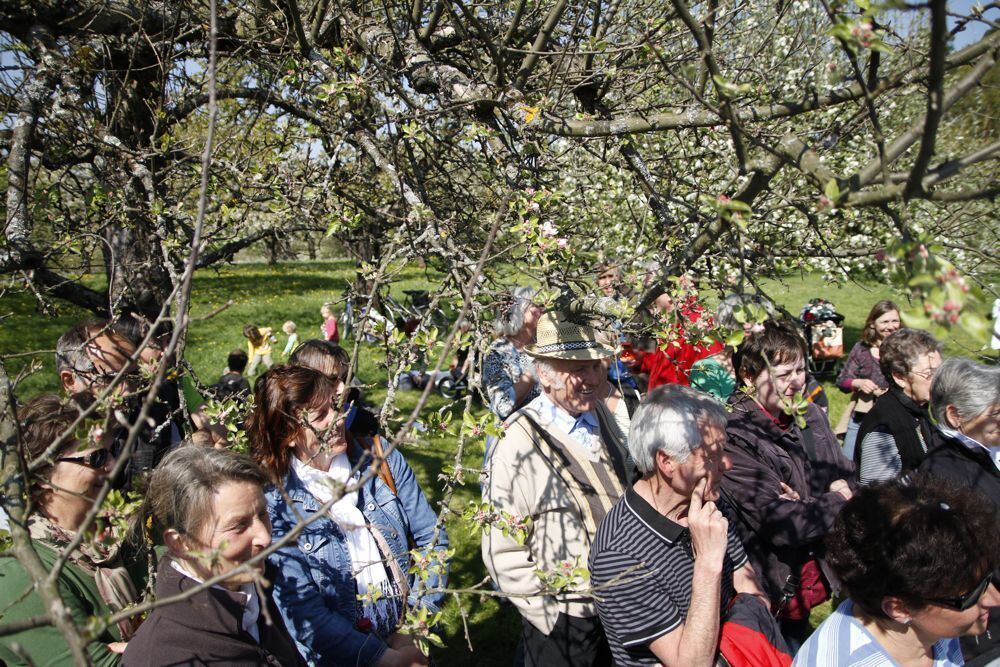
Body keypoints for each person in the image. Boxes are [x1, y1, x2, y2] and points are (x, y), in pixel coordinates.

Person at [247, 365, 447, 667]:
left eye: (335, 406)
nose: (338, 419)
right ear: (288, 434)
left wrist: (412, 628)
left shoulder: (379, 460)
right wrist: (382, 658)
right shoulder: (276, 506)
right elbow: (304, 612)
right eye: (320, 416)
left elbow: (433, 540)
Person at [589, 385, 789, 667]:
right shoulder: (619, 557)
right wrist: (708, 563)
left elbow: (752, 590)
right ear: (667, 462)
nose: (727, 463)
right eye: (713, 453)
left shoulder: (706, 502)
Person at [482, 312, 632, 667]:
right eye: (577, 369)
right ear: (543, 374)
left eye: (595, 366)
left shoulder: (602, 417)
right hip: (565, 622)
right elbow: (499, 545)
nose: (592, 378)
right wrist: (548, 615)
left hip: (618, 609)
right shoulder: (518, 440)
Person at [721, 320, 855, 650]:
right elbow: (784, 523)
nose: (797, 382)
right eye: (783, 375)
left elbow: (850, 477)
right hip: (770, 591)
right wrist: (835, 500)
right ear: (749, 377)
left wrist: (814, 504)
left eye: (800, 370)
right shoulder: (733, 436)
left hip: (814, 576)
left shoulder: (809, 415)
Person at [123, 447, 305, 666]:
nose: (264, 538)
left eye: (262, 515)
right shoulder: (163, 655)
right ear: (181, 543)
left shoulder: (250, 596)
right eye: (239, 525)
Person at [793, 475, 1000, 667]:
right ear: (899, 609)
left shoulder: (930, 615)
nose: (995, 599)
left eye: (987, 579)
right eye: (971, 595)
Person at [0, 396, 144, 666]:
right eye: (97, 457)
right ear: (43, 475)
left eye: (110, 451)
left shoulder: (125, 536)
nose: (112, 465)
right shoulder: (21, 572)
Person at [919, 357, 1000, 665]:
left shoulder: (983, 456)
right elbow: (969, 556)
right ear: (955, 416)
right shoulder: (944, 474)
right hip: (984, 634)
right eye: (995, 413)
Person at [56, 319, 177, 490]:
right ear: (69, 381)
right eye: (110, 377)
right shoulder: (46, 439)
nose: (127, 390)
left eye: (133, 375)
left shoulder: (156, 420)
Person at [855, 328, 942, 485]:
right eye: (929, 374)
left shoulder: (918, 410)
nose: (938, 380)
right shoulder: (884, 429)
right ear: (900, 377)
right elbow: (877, 497)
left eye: (940, 372)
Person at [835, 300, 901, 460]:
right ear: (872, 324)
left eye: (895, 321)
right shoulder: (862, 349)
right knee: (849, 461)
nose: (891, 326)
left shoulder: (904, 349)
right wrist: (858, 383)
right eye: (885, 322)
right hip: (862, 416)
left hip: (895, 418)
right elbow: (842, 381)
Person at [289, 338, 381, 439]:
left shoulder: (363, 422)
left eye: (345, 378)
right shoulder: (285, 430)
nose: (344, 389)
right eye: (331, 380)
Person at [690, 293, 775, 401]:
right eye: (756, 322)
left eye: (765, 322)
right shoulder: (707, 369)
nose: (763, 328)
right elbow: (712, 413)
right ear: (733, 325)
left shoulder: (773, 358)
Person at [482, 286, 542, 419]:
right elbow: (502, 407)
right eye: (536, 305)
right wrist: (536, 367)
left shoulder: (542, 341)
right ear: (518, 312)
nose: (542, 309)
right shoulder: (497, 352)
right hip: (516, 432)